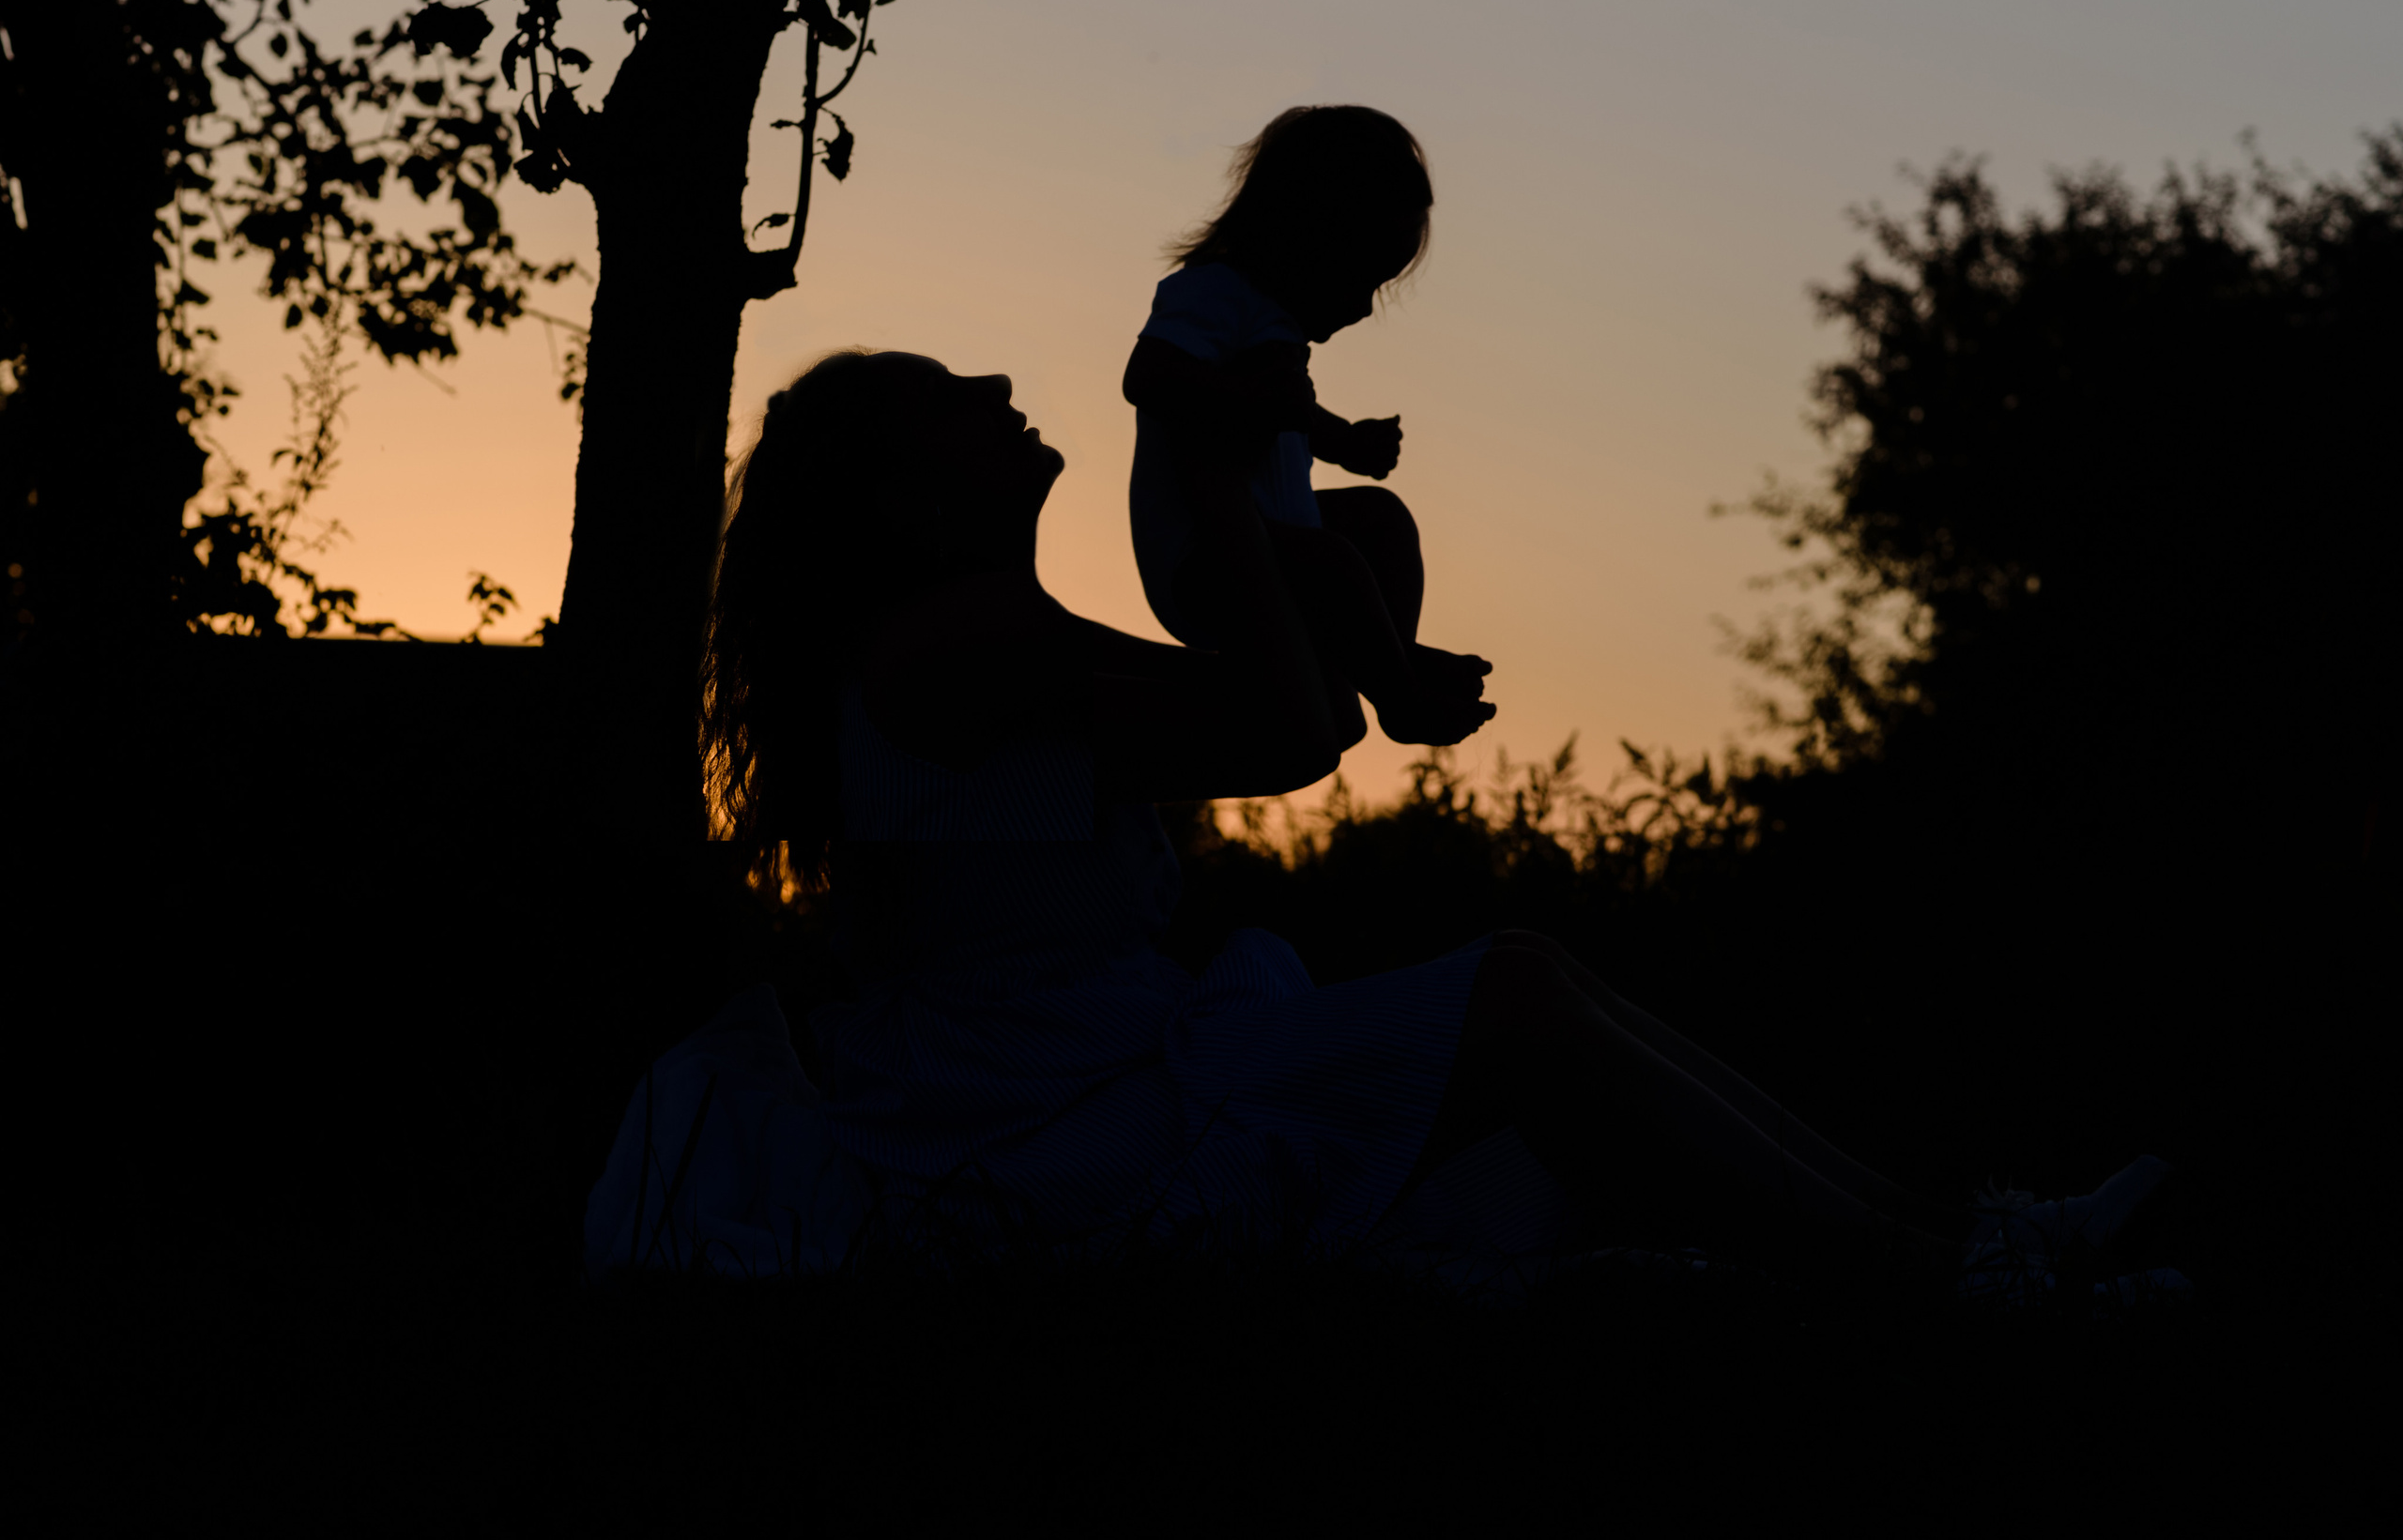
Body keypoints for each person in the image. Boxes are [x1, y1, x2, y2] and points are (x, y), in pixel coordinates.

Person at [691, 344, 2185, 1306]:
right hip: (1044, 1128)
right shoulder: (954, 641)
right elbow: (1290, 731)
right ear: (897, 492)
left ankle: (1963, 1237)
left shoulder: (988, 627)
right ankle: (1949, 1271)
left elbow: (1295, 713)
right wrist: (1237, 515)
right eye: (950, 397)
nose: (996, 384)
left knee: (1523, 977)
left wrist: (1343, 583)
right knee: (1517, 994)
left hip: (1081, 1081)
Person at [1124, 104, 1494, 750]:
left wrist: (1343, 440)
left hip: (1274, 544)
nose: (1362, 306)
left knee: (1378, 518)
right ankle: (1400, 695)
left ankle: (1388, 653)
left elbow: (1286, 413)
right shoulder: (1211, 293)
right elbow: (1148, 377)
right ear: (1302, 237)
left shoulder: (1274, 329)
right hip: (1204, 563)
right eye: (1361, 278)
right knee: (1330, 560)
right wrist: (1249, 398)